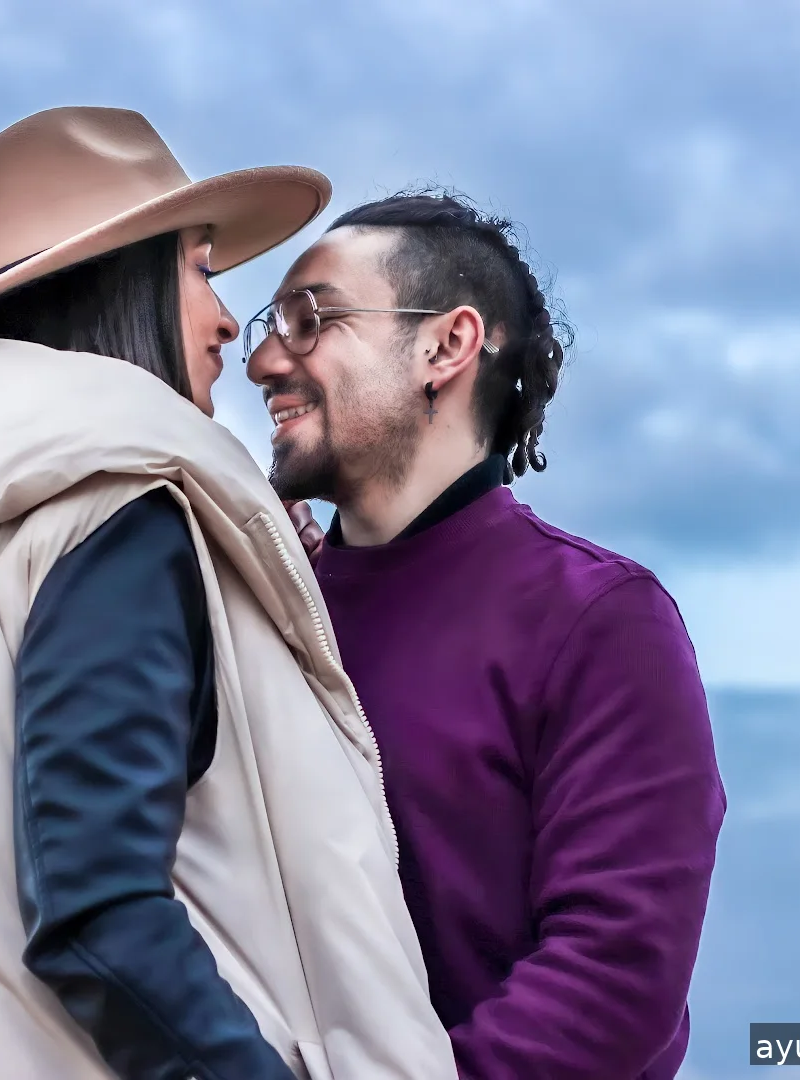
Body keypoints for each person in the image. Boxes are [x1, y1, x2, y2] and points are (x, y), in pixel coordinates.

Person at [0, 109, 454, 1080]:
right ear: (120, 284)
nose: (227, 321)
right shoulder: (119, 512)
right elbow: (97, 911)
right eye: (201, 270)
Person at [251, 190, 727, 1080]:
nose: (265, 361)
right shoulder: (260, 613)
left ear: (446, 345)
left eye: (310, 319)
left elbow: (614, 977)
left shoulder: (600, 620)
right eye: (268, 328)